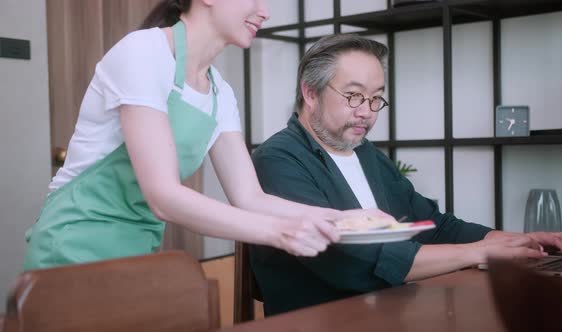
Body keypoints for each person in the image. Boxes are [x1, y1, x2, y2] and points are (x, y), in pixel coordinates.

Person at [22, 0, 389, 271]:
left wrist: (347, 219)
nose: (265, 11)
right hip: (71, 249)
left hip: (135, 254)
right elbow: (163, 196)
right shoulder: (143, 52)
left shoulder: (219, 92)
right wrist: (280, 232)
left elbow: (250, 197)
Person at [250, 34, 562, 316]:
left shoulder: (366, 154)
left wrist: (517, 240)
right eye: (354, 96)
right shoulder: (278, 159)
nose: (366, 111)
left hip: (394, 312)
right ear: (310, 92)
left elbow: (434, 226)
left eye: (376, 98)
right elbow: (352, 263)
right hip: (321, 322)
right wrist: (478, 253)